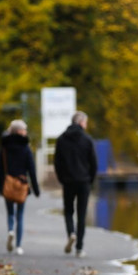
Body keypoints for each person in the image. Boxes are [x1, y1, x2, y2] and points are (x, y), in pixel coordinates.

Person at [54, 111, 97, 258]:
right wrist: (90, 180)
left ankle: (71, 234)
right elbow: (94, 163)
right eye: (85, 122)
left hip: (68, 181)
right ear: (81, 122)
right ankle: (79, 248)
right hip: (84, 182)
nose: (86, 125)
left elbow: (57, 163)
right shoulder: (87, 140)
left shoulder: (61, 139)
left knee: (68, 211)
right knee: (81, 214)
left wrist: (62, 178)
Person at [0, 119, 39, 255]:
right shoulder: (26, 148)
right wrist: (36, 189)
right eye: (24, 129)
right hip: (22, 185)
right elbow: (31, 169)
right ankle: (19, 246)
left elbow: (0, 169)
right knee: (20, 215)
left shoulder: (4, 148)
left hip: (8, 183)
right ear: (19, 131)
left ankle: (10, 231)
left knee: (10, 213)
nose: (25, 132)